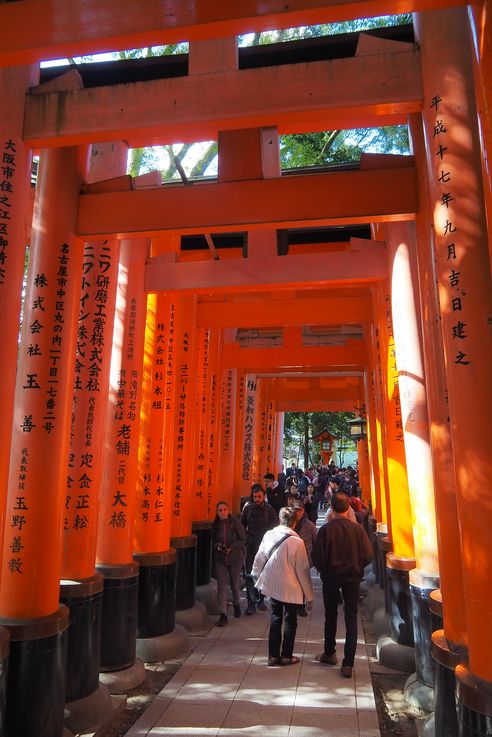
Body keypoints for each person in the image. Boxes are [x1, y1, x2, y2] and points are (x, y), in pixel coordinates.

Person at [312, 492, 373, 678]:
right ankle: (348, 663)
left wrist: (324, 571)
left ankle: (330, 653)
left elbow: (317, 557)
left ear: (332, 507)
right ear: (349, 508)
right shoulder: (358, 530)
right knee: (350, 618)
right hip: (352, 578)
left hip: (331, 577)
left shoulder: (326, 530)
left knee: (330, 615)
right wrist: (357, 566)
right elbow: (368, 555)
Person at [252, 506, 314, 666]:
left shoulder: (269, 535)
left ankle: (273, 656)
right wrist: (309, 594)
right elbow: (302, 570)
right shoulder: (297, 542)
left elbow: (259, 557)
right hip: (291, 588)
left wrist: (256, 576)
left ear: (280, 520)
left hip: (273, 584)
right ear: (294, 522)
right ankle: (286, 655)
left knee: (275, 617)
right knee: (290, 620)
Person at [240, 484, 278, 614]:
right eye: (255, 497)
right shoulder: (247, 508)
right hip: (250, 547)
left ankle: (261, 600)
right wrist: (244, 541)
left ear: (264, 496)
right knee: (250, 575)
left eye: (259, 497)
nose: (257, 499)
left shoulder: (270, 510)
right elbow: (241, 525)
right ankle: (251, 602)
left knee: (263, 575)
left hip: (264, 548)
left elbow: (275, 529)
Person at [212, 501, 246, 627]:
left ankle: (236, 603)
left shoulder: (235, 523)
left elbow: (243, 539)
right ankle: (223, 614)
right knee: (222, 586)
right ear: (217, 512)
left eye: (224, 509)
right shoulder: (215, 525)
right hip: (221, 558)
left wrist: (232, 547)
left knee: (234, 584)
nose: (223, 512)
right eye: (220, 510)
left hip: (235, 558)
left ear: (228, 510)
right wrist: (218, 546)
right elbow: (213, 541)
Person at [291, 500, 317, 567]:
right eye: (295, 510)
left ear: (303, 511)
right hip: (291, 559)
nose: (297, 513)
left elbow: (317, 541)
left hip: (306, 560)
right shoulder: (288, 524)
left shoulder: (309, 525)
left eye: (299, 510)